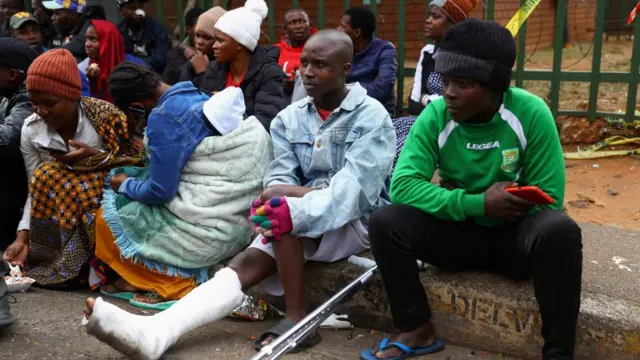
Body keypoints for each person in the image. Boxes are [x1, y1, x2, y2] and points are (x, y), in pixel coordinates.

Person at [81, 29, 396, 360]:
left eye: (321, 65)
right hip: (298, 214)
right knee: (250, 252)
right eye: (304, 63)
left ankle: (296, 317)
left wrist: (290, 204)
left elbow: (355, 192)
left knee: (283, 212)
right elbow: (278, 173)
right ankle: (158, 331)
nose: (307, 72)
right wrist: (282, 197)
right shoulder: (291, 117)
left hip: (356, 220)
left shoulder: (371, 116)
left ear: (346, 69)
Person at [361, 19, 582, 360]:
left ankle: (558, 351)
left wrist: (506, 205)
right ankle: (415, 327)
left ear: (494, 87)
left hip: (513, 241)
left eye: (463, 84)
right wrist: (478, 203)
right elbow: (404, 187)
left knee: (560, 230)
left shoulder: (530, 113)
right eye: (446, 81)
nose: (449, 92)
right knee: (386, 221)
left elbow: (548, 198)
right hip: (457, 236)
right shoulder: (436, 114)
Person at [88, 63, 272, 310]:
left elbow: (160, 191)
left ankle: (169, 283)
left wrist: (125, 185)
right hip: (241, 218)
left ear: (137, 105)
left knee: (105, 219)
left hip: (209, 226)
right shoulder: (194, 92)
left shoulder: (163, 119)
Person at [2, 49, 144, 288]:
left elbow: (137, 163)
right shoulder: (31, 129)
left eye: (50, 104)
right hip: (60, 211)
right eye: (35, 104)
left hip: (109, 204)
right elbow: (34, 190)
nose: (42, 111)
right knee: (46, 177)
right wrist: (22, 238)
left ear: (73, 96)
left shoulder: (105, 118)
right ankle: (57, 260)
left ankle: (102, 264)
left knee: (68, 181)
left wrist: (95, 158)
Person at [393, 0, 478, 168]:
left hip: (455, 126)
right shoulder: (428, 53)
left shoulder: (466, 56)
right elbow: (413, 102)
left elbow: (461, 105)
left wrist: (426, 99)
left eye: (435, 16)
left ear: (453, 23)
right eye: (429, 15)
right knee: (384, 136)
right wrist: (433, 100)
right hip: (424, 120)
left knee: (402, 153)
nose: (428, 20)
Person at [197, 0, 284, 131]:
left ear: (239, 43)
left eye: (220, 40)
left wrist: (224, 109)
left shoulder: (269, 72)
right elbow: (202, 114)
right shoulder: (214, 69)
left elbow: (265, 122)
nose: (214, 46)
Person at [0, 38, 38, 252]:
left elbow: (6, 142)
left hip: (17, 191)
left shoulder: (28, 100)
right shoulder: (7, 94)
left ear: (13, 75)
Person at [337, 7, 397, 115]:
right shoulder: (340, 49)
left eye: (342, 26)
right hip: (344, 110)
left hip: (376, 112)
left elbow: (381, 89)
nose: (337, 29)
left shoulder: (384, 49)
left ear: (356, 32)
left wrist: (342, 88)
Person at [78, 20, 147, 101]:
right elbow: (89, 105)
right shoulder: (82, 70)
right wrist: (93, 82)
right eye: (86, 39)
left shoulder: (135, 67)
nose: (87, 44)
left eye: (93, 39)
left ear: (108, 41)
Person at [116, 0, 171, 73]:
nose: (139, 12)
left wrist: (131, 61)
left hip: (154, 77)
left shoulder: (157, 29)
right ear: (121, 11)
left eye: (141, 7)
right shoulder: (117, 32)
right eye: (133, 8)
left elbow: (160, 61)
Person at [274, 8, 316, 102]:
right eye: (292, 23)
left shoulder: (322, 47)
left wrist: (299, 84)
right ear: (285, 29)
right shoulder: (275, 50)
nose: (298, 26)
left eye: (302, 21)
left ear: (309, 24)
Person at [178, 6, 225, 84]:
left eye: (207, 38)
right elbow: (184, 94)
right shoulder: (190, 64)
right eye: (197, 35)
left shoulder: (226, 66)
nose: (199, 42)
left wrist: (202, 72)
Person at [163, 7, 204, 85]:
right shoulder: (174, 54)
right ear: (188, 29)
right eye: (197, 33)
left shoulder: (215, 51)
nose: (200, 41)